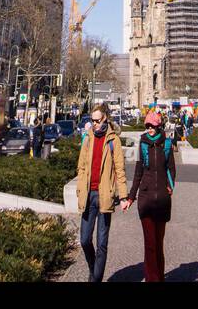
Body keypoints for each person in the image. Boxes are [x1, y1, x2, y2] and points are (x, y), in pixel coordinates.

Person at [75, 103, 129, 282]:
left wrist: (123, 196)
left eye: (97, 121)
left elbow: (120, 170)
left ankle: (95, 279)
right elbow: (81, 166)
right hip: (88, 195)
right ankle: (93, 268)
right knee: (84, 240)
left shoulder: (114, 140)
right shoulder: (88, 138)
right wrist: (80, 187)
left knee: (102, 244)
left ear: (105, 118)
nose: (94, 124)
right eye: (92, 120)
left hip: (105, 196)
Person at [122, 109, 176, 282]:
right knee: (150, 244)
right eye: (147, 126)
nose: (149, 129)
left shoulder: (166, 144)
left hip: (162, 200)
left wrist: (170, 186)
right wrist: (130, 197)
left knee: (158, 244)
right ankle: (152, 279)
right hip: (145, 200)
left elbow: (171, 169)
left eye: (152, 126)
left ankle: (159, 277)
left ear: (159, 126)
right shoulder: (143, 143)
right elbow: (138, 172)